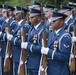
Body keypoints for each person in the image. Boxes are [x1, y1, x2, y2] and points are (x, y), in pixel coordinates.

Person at [21, 8, 48, 75]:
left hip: (37, 63)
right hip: (29, 61)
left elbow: (42, 48)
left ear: (38, 18)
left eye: (32, 17)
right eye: (30, 17)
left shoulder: (43, 30)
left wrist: (28, 46)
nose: (30, 18)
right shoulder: (31, 29)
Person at [7, 6, 30, 75]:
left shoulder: (25, 26)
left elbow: (23, 42)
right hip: (15, 54)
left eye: (17, 14)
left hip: (21, 55)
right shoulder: (17, 25)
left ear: (22, 14)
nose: (15, 15)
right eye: (15, 13)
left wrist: (12, 39)